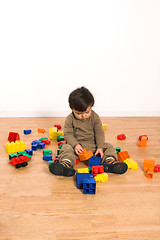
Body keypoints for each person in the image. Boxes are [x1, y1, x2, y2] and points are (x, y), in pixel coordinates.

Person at [49, 86, 128, 177]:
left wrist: (100, 147)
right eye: (79, 113)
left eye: (87, 112)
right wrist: (75, 145)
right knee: (66, 148)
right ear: (72, 108)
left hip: (93, 147)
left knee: (109, 146)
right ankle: (66, 164)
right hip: (77, 148)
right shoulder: (70, 119)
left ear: (91, 107)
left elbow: (99, 133)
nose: (83, 116)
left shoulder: (95, 117)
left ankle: (109, 162)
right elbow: (68, 134)